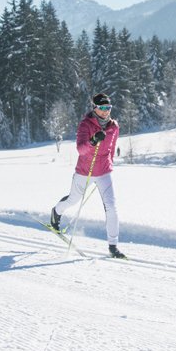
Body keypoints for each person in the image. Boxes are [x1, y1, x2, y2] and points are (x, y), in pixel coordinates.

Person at [49, 93, 126, 259]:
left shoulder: (114, 126)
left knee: (111, 207)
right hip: (85, 171)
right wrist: (92, 141)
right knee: (73, 200)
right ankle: (56, 212)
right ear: (95, 108)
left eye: (109, 108)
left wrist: (109, 163)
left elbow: (111, 149)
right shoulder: (86, 124)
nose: (106, 111)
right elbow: (80, 149)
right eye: (103, 108)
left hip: (104, 171)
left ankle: (113, 246)